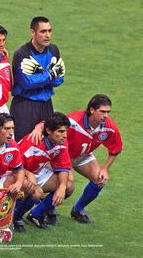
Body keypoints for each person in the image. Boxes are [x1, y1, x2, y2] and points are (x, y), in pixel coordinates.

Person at [30, 94, 122, 223]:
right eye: (102, 111)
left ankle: (78, 210)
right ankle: (41, 211)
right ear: (91, 110)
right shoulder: (74, 120)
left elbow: (116, 148)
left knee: (99, 179)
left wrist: (105, 168)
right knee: (68, 183)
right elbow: (51, 124)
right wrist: (38, 128)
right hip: (60, 156)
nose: (106, 115)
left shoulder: (109, 127)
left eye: (108, 112)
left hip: (82, 156)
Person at [10, 16, 66, 142]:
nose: (48, 35)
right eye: (43, 31)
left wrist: (41, 78)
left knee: (46, 146)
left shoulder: (53, 50)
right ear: (32, 32)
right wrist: (50, 75)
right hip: (25, 106)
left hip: (46, 105)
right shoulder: (21, 53)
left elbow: (59, 80)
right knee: (23, 144)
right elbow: (27, 83)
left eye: (49, 31)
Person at [14, 112, 73, 231]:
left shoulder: (61, 142)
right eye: (61, 131)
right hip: (18, 173)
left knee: (68, 186)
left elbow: (63, 167)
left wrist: (61, 187)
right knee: (37, 192)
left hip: (37, 172)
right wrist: (29, 175)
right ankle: (15, 218)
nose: (65, 135)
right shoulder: (32, 142)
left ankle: (36, 214)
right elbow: (13, 165)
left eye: (66, 131)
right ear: (49, 131)